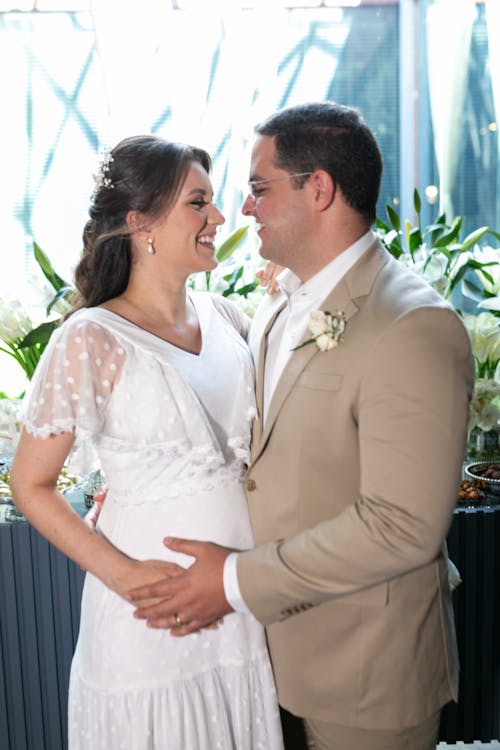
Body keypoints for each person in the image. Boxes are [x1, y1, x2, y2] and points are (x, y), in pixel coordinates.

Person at [127, 103, 475, 750]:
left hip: (364, 671)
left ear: (319, 189)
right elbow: (266, 452)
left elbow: (402, 526)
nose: (245, 209)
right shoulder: (283, 299)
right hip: (262, 660)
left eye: (260, 188)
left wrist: (231, 582)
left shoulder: (413, 327)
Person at [10, 135, 284, 750]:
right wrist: (129, 577)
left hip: (237, 611)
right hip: (149, 624)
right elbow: (29, 484)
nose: (218, 217)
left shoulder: (227, 318)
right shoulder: (90, 338)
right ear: (142, 223)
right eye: (199, 202)